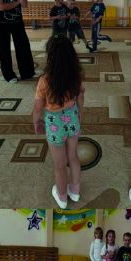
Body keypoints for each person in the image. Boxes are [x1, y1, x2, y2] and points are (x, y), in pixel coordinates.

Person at [33, 36, 86, 208]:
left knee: (60, 164)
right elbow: (80, 97)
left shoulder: (44, 81)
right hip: (72, 117)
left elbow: (37, 108)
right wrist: (80, 115)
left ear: (50, 56)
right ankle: (75, 191)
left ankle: (62, 197)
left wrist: (36, 123)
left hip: (54, 123)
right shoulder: (76, 75)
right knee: (73, 157)